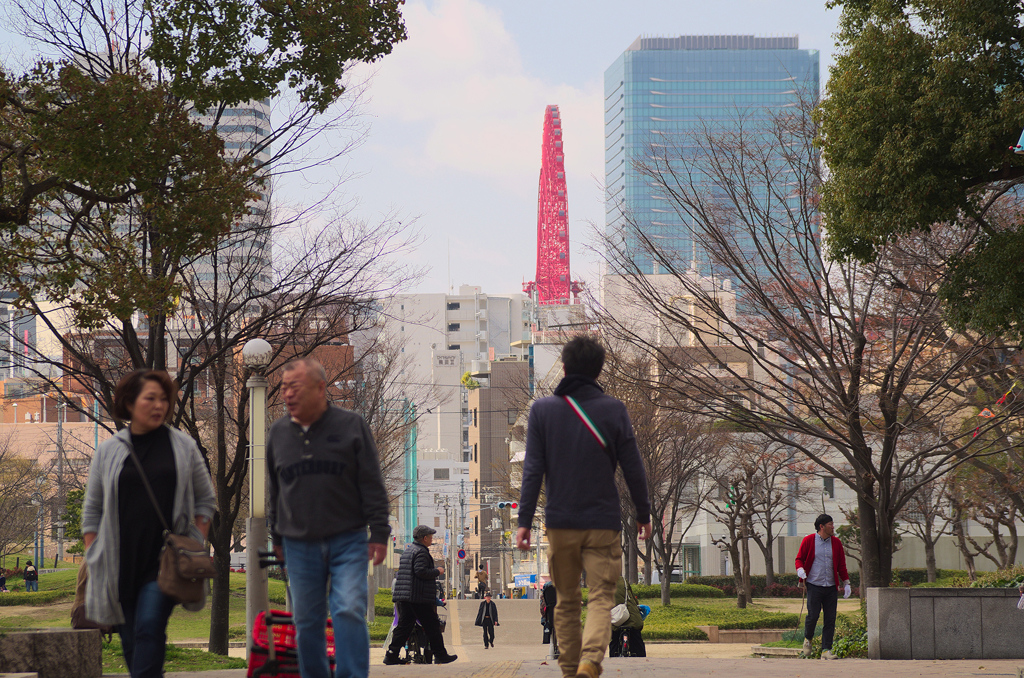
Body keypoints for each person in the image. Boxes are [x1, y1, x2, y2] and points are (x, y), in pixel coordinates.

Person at [516, 336, 652, 678]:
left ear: (563, 367)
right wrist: (643, 513)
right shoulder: (613, 409)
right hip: (603, 521)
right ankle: (591, 659)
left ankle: (568, 667)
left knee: (566, 598)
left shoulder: (542, 411)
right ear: (599, 369)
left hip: (561, 521)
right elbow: (633, 466)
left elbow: (533, 470)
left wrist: (523, 522)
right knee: (602, 596)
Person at [81, 370, 216, 678]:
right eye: (150, 398)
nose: (159, 406)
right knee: (130, 641)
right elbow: (92, 510)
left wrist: (195, 539)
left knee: (149, 627)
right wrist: (94, 554)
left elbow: (205, 501)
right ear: (129, 403)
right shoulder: (109, 451)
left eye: (164, 399)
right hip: (119, 564)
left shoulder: (184, 446)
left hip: (165, 562)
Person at [268, 357, 391, 678]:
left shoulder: (351, 426)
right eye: (283, 388)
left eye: (295, 387)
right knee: (306, 619)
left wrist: (379, 533)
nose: (287, 395)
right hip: (297, 544)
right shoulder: (277, 433)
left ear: (320, 388)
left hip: (347, 539)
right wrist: (276, 537)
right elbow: (275, 491)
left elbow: (372, 484)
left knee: (348, 608)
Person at [383, 525, 457, 665]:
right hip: (418, 596)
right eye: (430, 536)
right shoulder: (421, 552)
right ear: (424, 538)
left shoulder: (409, 551)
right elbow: (420, 571)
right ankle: (440, 655)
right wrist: (437, 571)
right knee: (432, 625)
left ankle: (391, 655)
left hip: (406, 596)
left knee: (404, 626)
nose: (431, 539)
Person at [795, 513, 851, 660]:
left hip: (831, 587)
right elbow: (799, 559)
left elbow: (841, 565)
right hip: (814, 585)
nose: (833, 527)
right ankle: (808, 638)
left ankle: (826, 650)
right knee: (813, 615)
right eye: (830, 524)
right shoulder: (808, 540)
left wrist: (846, 583)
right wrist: (800, 570)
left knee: (830, 618)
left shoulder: (836, 543)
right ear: (822, 526)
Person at [608, 576, 646, 657]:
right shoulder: (623, 580)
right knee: (637, 640)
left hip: (615, 619)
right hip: (631, 616)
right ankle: (641, 660)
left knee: (614, 639)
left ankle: (613, 658)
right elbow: (632, 597)